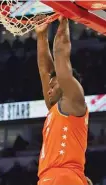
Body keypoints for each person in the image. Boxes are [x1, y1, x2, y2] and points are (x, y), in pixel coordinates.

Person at [35, 16, 89, 185]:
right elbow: (46, 72)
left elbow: (61, 55)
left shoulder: (74, 101)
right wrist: (41, 36)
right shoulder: (55, 108)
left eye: (53, 85)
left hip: (63, 176)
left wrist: (64, 19)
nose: (48, 89)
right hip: (49, 178)